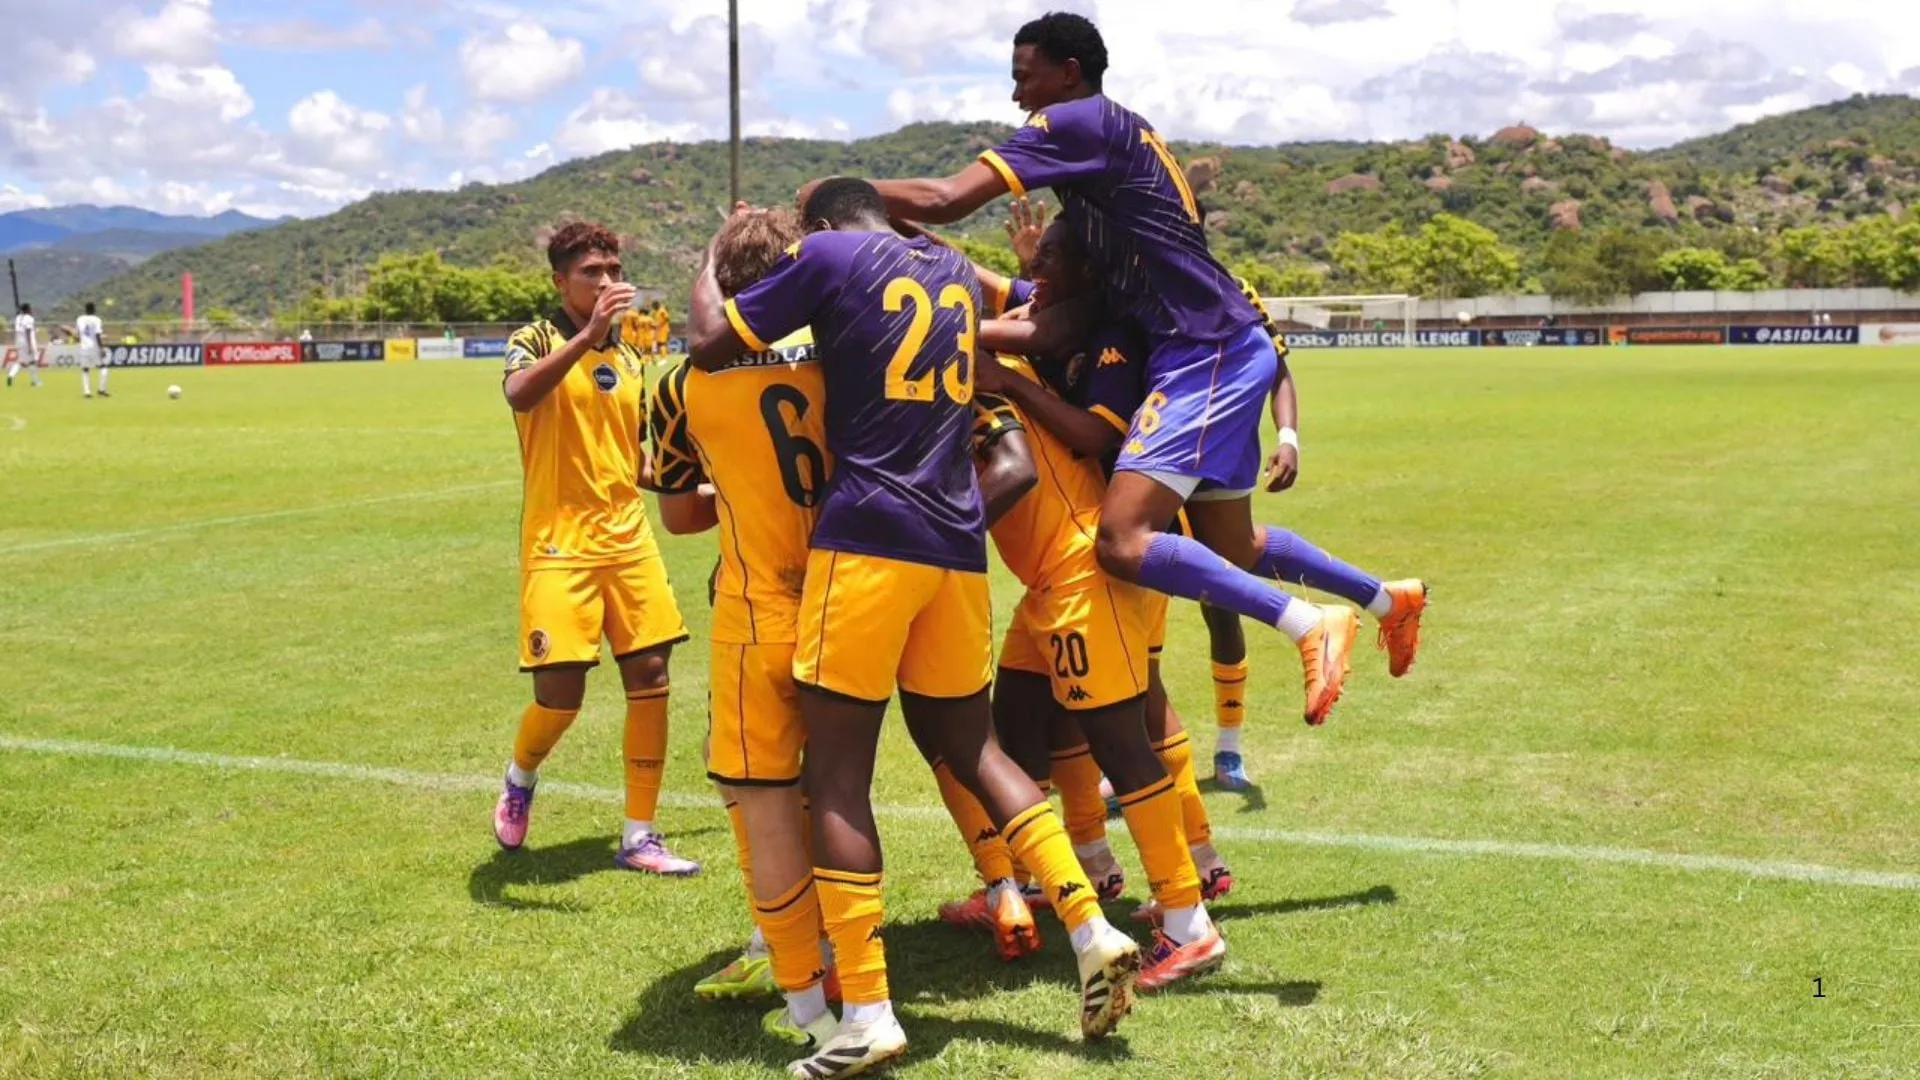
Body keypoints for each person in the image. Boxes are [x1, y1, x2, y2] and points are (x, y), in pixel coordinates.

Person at [857, 12, 1432, 728]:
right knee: (1234, 544)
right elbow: (1004, 291)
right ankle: (1387, 599)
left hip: (1203, 350)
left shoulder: (1077, 124)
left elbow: (950, 199)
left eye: (1025, 77)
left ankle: (1308, 623)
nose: (1017, 96)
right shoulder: (1118, 144)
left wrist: (839, 194)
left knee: (1122, 541)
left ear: (1069, 73)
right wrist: (887, 231)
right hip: (1220, 345)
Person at [686, 178, 1140, 1079]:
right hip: (957, 546)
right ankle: (1090, 924)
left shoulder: (826, 253)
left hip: (865, 540)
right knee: (977, 749)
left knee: (836, 778)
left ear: (822, 226)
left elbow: (708, 341)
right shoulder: (951, 270)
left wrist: (711, 254)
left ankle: (867, 1012)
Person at [646, 206, 839, 1049]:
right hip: (848, 597)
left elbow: (681, 516)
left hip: (757, 606)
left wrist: (738, 486)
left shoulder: (680, 381)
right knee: (833, 787)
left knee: (757, 791)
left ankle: (796, 979)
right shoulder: (842, 352)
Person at [491, 221, 698, 877]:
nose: (607, 281)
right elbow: (519, 394)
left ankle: (640, 835)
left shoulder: (632, 358)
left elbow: (632, 459)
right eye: (591, 272)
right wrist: (586, 337)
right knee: (561, 696)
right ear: (561, 282)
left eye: (614, 270)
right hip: (560, 544)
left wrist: (700, 481)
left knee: (653, 678)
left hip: (628, 541)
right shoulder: (536, 339)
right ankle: (521, 775)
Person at [77, 302, 107, 399]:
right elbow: (97, 334)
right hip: (94, 347)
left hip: (83, 347)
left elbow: (78, 334)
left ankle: (87, 392)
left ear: (85, 310)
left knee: (85, 369)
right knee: (103, 367)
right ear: (94, 310)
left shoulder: (80, 319)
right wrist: (102, 348)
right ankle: (101, 390)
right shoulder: (97, 319)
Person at [7, 303, 39, 388]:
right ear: (27, 310)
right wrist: (30, 346)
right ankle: (35, 382)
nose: (31, 310)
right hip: (27, 341)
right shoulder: (29, 318)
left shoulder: (18, 318)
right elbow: (28, 331)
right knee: (33, 361)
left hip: (19, 341)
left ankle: (10, 375)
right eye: (30, 308)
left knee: (21, 362)